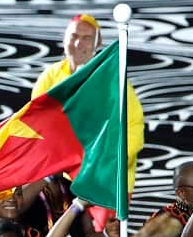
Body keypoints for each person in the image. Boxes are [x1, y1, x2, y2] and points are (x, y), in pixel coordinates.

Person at [31, 14, 143, 191]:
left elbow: (133, 126)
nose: (78, 44)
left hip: (104, 177)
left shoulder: (112, 78)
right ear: (64, 39)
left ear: (97, 44)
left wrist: (109, 161)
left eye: (86, 38)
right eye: (74, 36)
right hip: (59, 176)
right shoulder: (50, 76)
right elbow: (35, 123)